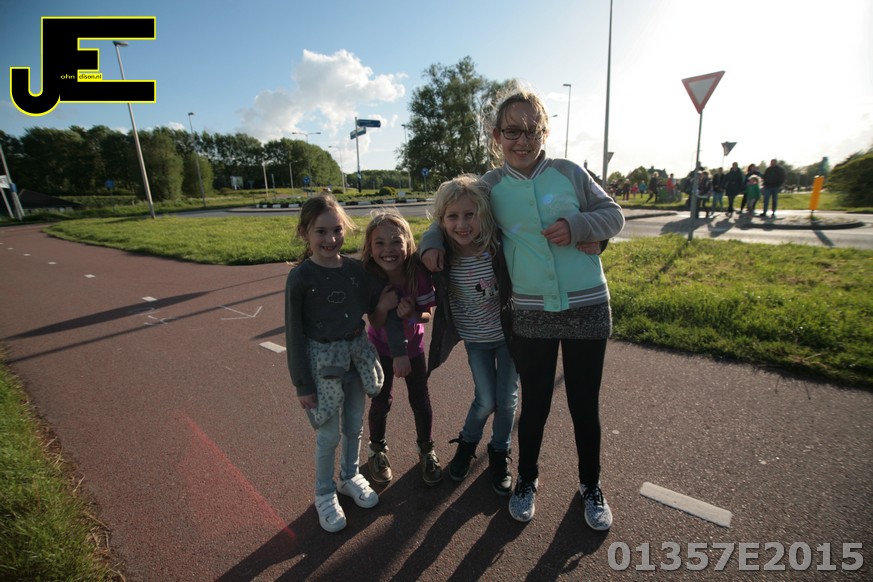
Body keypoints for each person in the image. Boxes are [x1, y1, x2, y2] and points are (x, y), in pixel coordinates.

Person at [421, 84, 625, 530]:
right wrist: (431, 241)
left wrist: (579, 225)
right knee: (535, 406)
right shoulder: (490, 186)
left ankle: (590, 485)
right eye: (512, 131)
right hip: (530, 312)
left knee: (584, 406)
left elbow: (614, 215)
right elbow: (451, 211)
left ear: (544, 133)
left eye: (532, 130)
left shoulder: (569, 173)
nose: (522, 139)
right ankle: (527, 480)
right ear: (497, 136)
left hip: (588, 305)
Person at [284, 195, 405, 533]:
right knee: (328, 434)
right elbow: (294, 333)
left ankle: (349, 476)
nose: (331, 239)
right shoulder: (301, 278)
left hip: (356, 359)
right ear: (305, 233)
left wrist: (397, 344)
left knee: (354, 425)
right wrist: (302, 384)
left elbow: (385, 307)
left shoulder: (356, 272)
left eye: (337, 230)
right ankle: (324, 492)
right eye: (321, 232)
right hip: (322, 366)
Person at [425, 174, 520, 495]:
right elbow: (428, 238)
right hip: (476, 341)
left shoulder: (497, 246)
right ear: (442, 221)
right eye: (452, 217)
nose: (462, 224)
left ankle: (499, 450)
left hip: (508, 338)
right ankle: (467, 443)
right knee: (486, 400)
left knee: (506, 401)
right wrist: (430, 242)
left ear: (484, 214)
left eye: (470, 214)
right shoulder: (443, 255)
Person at [362, 208, 444, 486]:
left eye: (396, 241)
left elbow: (427, 314)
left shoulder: (417, 274)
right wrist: (383, 308)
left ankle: (426, 449)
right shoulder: (371, 277)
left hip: (414, 348)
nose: (388, 249)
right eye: (380, 243)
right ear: (370, 247)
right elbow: (375, 321)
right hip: (380, 348)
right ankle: (376, 449)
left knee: (420, 399)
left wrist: (412, 314)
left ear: (408, 244)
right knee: (381, 400)